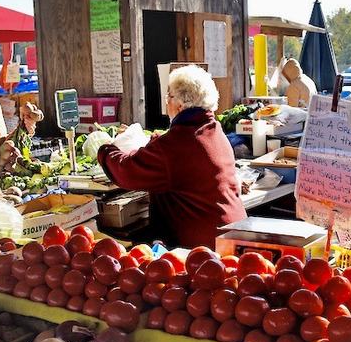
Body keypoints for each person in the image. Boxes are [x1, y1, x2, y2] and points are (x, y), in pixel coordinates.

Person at [96, 64, 246, 248]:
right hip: (231, 234)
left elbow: (127, 171)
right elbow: (174, 157)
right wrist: (154, 140)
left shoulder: (177, 143)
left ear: (179, 104)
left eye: (169, 96)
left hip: (203, 248)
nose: (167, 101)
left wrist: (105, 150)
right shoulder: (213, 130)